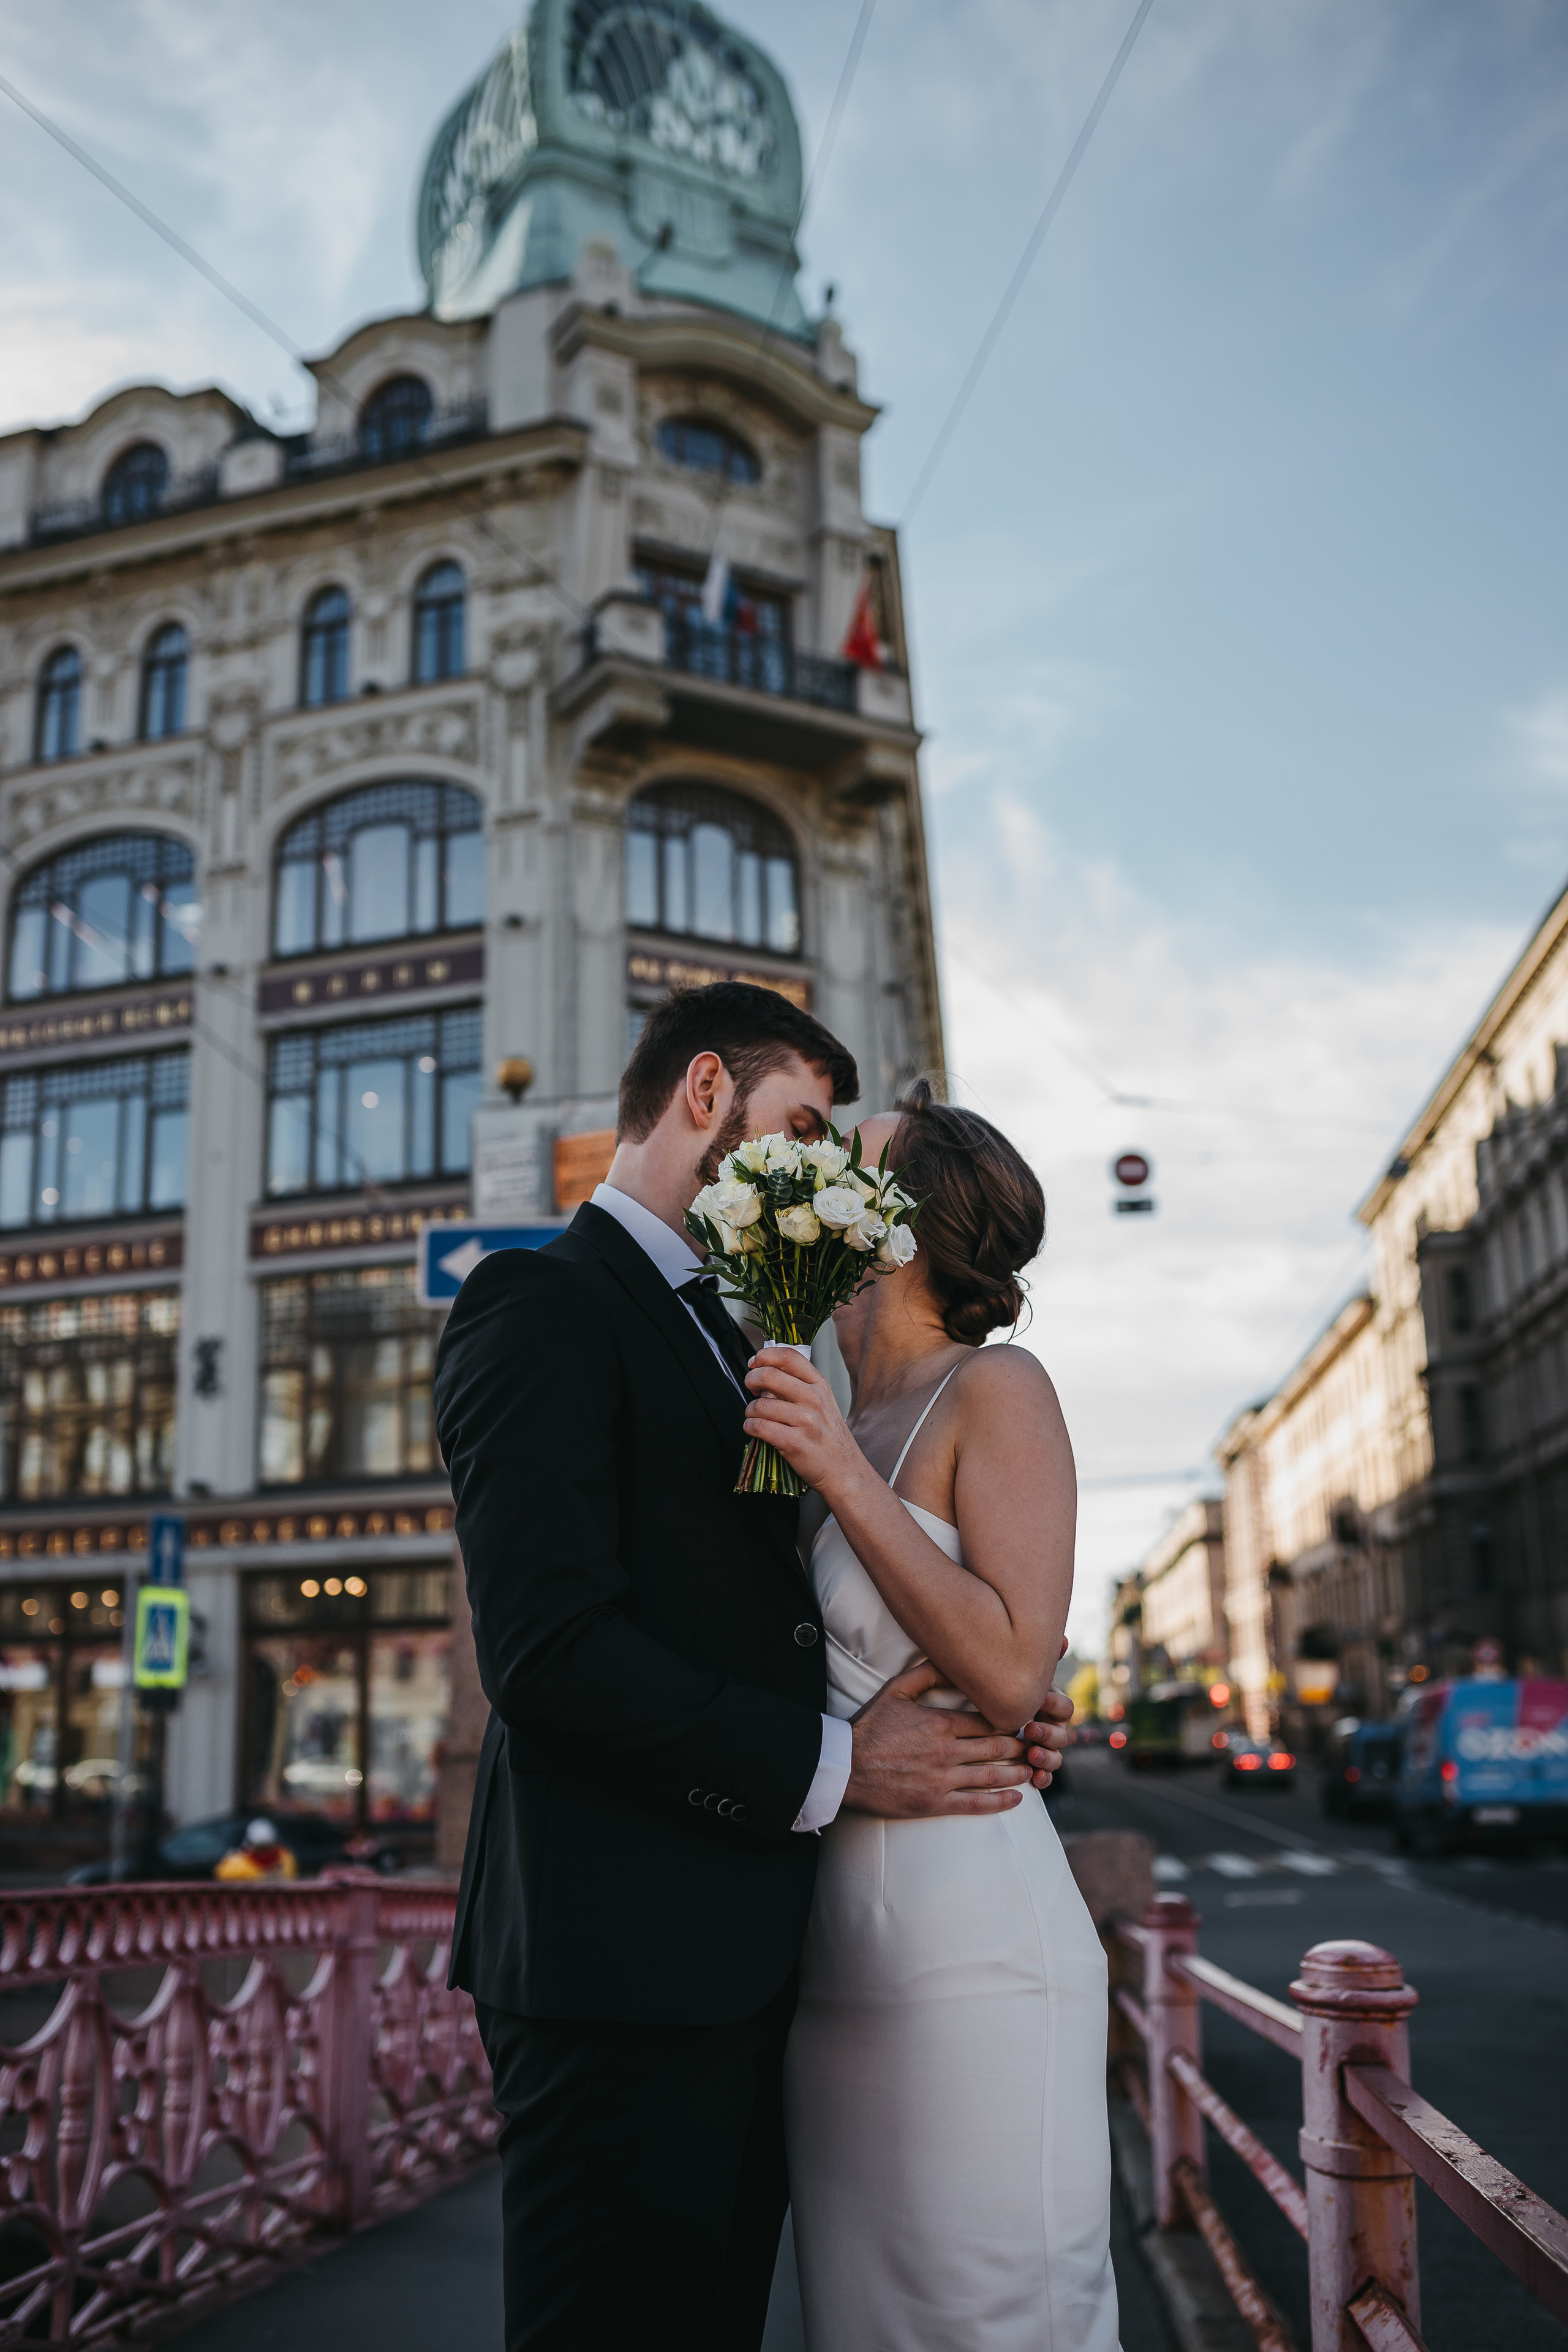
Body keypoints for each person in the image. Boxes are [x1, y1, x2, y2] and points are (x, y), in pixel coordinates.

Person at [434, 986, 1074, 2352]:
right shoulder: (539, 1300)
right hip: (617, 1958)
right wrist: (845, 1760)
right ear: (708, 1093)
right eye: (802, 1131)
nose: (814, 1171)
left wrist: (996, 1689)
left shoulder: (741, 1341)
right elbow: (544, 1654)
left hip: (767, 1959)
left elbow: (790, 1612)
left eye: (842, 1153)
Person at [744, 1082, 1121, 2352]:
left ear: (888, 1223)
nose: (803, 1165)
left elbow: (1012, 1671)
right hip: (831, 1958)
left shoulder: (994, 1389)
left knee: (992, 2318)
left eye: (838, 1152)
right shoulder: (835, 1413)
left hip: (977, 1951)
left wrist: (838, 1475)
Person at [214, 1818, 298, 1882]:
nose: (264, 1853)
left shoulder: (235, 1863)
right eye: (261, 1848)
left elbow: (221, 1875)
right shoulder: (286, 1857)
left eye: (266, 1848)